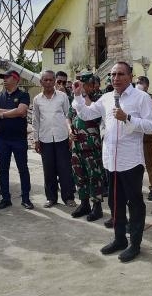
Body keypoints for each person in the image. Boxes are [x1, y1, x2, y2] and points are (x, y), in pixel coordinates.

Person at [72, 62, 152, 262]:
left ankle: (135, 244)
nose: (115, 78)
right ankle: (119, 239)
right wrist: (77, 95)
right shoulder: (107, 98)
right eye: (112, 75)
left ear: (130, 76)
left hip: (131, 160)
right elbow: (86, 114)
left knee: (134, 203)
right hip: (111, 160)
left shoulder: (141, 98)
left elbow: (151, 126)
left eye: (120, 74)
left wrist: (127, 118)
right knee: (114, 201)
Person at [0, 69, 33, 210]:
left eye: (7, 77)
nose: (4, 79)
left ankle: (26, 198)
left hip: (19, 138)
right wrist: (13, 112)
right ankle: (5, 198)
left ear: (16, 79)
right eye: (3, 77)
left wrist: (3, 113)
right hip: (2, 138)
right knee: (3, 169)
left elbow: (22, 111)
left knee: (23, 169)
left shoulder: (23, 95)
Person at [33, 70, 76, 208]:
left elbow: (68, 116)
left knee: (65, 170)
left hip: (62, 138)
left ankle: (68, 198)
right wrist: (36, 139)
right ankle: (51, 198)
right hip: (45, 139)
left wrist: (70, 135)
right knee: (49, 170)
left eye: (51, 80)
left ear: (54, 81)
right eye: (45, 80)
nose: (49, 82)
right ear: (41, 82)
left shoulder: (63, 97)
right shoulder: (37, 99)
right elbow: (36, 120)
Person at [67, 72, 104, 220]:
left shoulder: (98, 99)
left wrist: (83, 95)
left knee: (94, 176)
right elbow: (69, 116)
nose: (82, 87)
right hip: (77, 144)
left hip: (91, 145)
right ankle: (84, 204)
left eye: (86, 84)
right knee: (79, 174)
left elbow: (90, 112)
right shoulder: (75, 99)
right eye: (80, 84)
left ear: (92, 85)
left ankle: (97, 207)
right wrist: (70, 130)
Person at [136, 76, 152, 201]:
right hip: (134, 136)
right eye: (137, 82)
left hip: (147, 136)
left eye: (141, 83)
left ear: (147, 86)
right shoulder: (132, 98)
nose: (138, 84)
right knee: (137, 163)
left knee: (150, 163)